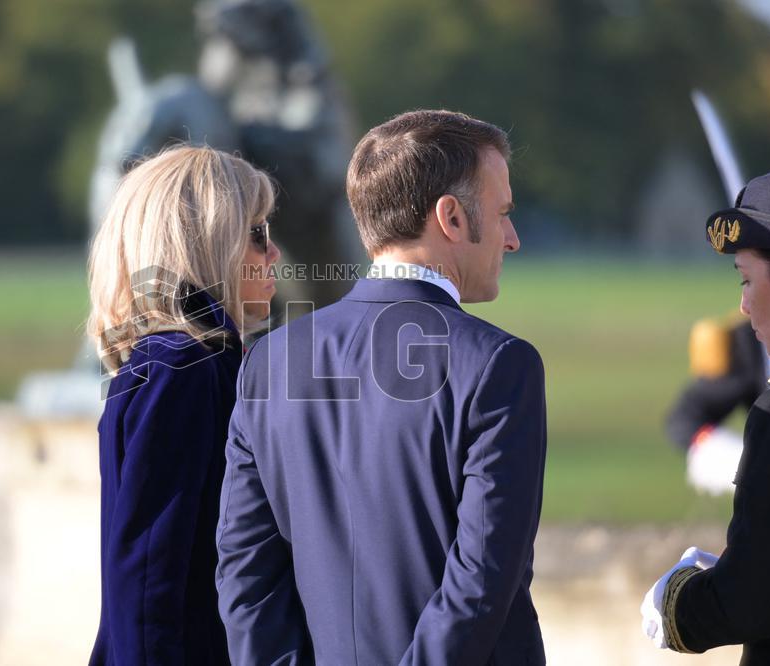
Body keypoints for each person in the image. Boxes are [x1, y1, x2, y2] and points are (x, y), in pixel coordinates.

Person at [215, 109, 547, 665]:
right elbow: (481, 585)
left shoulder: (271, 360)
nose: (512, 238)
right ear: (452, 218)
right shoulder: (498, 365)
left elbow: (246, 577)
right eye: (503, 212)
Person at [86, 145, 280, 665]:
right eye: (257, 233)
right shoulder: (180, 368)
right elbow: (147, 577)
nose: (274, 253)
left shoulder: (196, 360)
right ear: (208, 243)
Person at [642, 171, 770, 664]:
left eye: (746, 278)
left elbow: (751, 599)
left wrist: (676, 603)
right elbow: (688, 417)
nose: (742, 303)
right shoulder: (744, 347)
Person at [666, 315, 769, 495]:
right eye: (745, 284)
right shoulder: (749, 343)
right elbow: (686, 420)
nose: (743, 303)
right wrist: (750, 463)